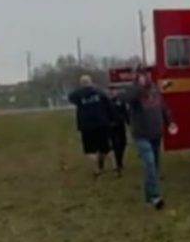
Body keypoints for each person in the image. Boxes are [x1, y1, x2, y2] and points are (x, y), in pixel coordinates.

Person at [117, 71, 176, 210]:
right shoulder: (134, 92)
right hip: (141, 135)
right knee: (149, 164)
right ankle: (156, 197)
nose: (147, 78)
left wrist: (170, 122)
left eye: (148, 75)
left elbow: (163, 108)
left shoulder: (155, 90)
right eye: (143, 76)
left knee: (154, 167)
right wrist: (138, 87)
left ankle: (148, 196)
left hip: (156, 134)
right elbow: (123, 98)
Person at [68, 76, 113, 177]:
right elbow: (108, 103)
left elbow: (70, 97)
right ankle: (115, 166)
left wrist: (81, 89)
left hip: (86, 126)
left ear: (81, 83)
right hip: (102, 123)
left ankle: (96, 169)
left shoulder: (78, 94)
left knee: (89, 150)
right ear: (91, 82)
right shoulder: (99, 92)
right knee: (106, 148)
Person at [108, 90, 130, 177]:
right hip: (111, 126)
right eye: (110, 93)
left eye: (113, 92)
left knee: (123, 143)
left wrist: (128, 121)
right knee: (116, 145)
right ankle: (117, 164)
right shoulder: (106, 102)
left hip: (121, 125)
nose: (112, 94)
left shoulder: (120, 101)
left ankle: (120, 161)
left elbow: (125, 112)